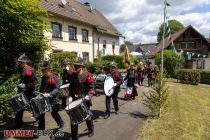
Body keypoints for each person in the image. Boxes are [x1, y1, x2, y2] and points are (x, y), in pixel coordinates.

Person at [68, 57, 95, 140]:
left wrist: (89, 95)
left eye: (77, 66)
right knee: (73, 118)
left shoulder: (88, 75)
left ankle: (91, 130)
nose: (76, 67)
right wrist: (70, 95)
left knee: (87, 117)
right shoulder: (73, 75)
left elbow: (92, 88)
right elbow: (71, 87)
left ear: (82, 66)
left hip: (84, 99)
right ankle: (74, 136)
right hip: (75, 99)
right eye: (75, 66)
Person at [38, 61, 64, 130]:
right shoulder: (43, 77)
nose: (42, 70)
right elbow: (42, 88)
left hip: (53, 98)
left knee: (54, 113)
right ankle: (41, 129)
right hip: (44, 98)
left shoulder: (54, 77)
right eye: (42, 69)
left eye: (43, 69)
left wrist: (50, 94)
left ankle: (61, 122)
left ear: (48, 69)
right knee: (41, 114)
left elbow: (56, 89)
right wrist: (39, 95)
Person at [15, 54, 37, 129]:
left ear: (24, 62)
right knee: (19, 108)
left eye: (20, 62)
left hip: (29, 92)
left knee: (33, 107)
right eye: (19, 62)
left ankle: (38, 120)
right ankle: (18, 124)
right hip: (22, 91)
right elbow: (22, 79)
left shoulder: (31, 70)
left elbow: (34, 82)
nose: (19, 64)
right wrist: (18, 85)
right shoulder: (21, 69)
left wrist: (26, 86)